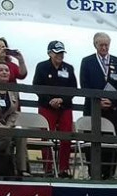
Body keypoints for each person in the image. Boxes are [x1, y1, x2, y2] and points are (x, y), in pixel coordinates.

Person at [79, 32, 117, 180]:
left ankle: (109, 174)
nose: (104, 47)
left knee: (110, 143)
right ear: (95, 45)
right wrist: (98, 101)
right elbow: (84, 84)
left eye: (107, 45)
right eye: (101, 45)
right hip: (93, 109)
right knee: (92, 142)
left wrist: (112, 101)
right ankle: (93, 173)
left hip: (112, 110)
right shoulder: (87, 61)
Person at [32, 41, 76, 179]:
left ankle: (64, 168)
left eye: (62, 52)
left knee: (67, 136)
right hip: (47, 106)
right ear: (50, 53)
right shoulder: (42, 67)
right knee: (46, 136)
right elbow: (37, 86)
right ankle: (48, 168)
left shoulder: (68, 68)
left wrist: (62, 100)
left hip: (65, 107)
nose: (60, 55)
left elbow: (73, 88)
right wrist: (50, 101)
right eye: (57, 52)